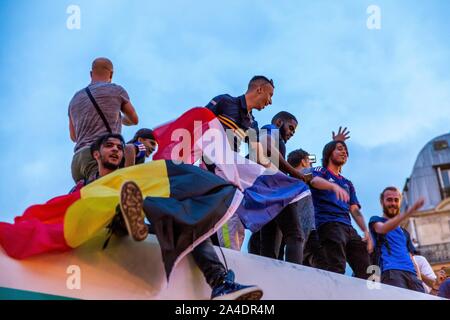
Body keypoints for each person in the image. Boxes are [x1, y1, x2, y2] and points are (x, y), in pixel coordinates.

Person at [76, 133, 262, 300]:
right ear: (96, 154)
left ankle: (220, 283)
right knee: (119, 203)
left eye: (119, 147)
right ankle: (126, 217)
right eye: (109, 146)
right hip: (107, 226)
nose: (116, 150)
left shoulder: (138, 179)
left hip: (140, 227)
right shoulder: (83, 187)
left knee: (188, 225)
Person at [69, 57, 139, 183]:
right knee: (107, 196)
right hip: (99, 157)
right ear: (111, 74)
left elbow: (74, 137)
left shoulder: (74, 99)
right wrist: (120, 119)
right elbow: (134, 119)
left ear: (91, 74)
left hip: (77, 161)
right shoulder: (116, 90)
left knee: (87, 199)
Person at [309, 140, 372, 279]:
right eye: (339, 149)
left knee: (368, 270)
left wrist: (365, 230)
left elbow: (354, 209)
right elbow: (314, 181)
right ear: (329, 153)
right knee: (336, 268)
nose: (344, 152)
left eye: (346, 151)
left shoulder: (347, 183)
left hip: (349, 228)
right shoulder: (321, 171)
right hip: (329, 223)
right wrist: (332, 186)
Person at [369, 186, 426, 292]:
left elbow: (412, 258)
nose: (393, 203)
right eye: (389, 199)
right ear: (382, 202)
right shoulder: (376, 220)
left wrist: (419, 279)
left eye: (396, 200)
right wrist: (410, 211)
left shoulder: (405, 233)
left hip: (412, 275)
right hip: (391, 272)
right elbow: (383, 228)